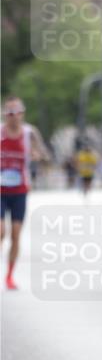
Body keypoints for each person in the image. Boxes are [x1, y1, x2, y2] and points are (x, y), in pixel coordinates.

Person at [1, 96, 48, 289]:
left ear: (22, 113)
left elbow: (45, 155)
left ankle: (10, 276)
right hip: (0, 190)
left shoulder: (30, 134)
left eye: (17, 112)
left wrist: (38, 156)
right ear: (5, 114)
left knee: (16, 234)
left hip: (20, 191)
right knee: (0, 231)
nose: (14, 116)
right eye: (10, 113)